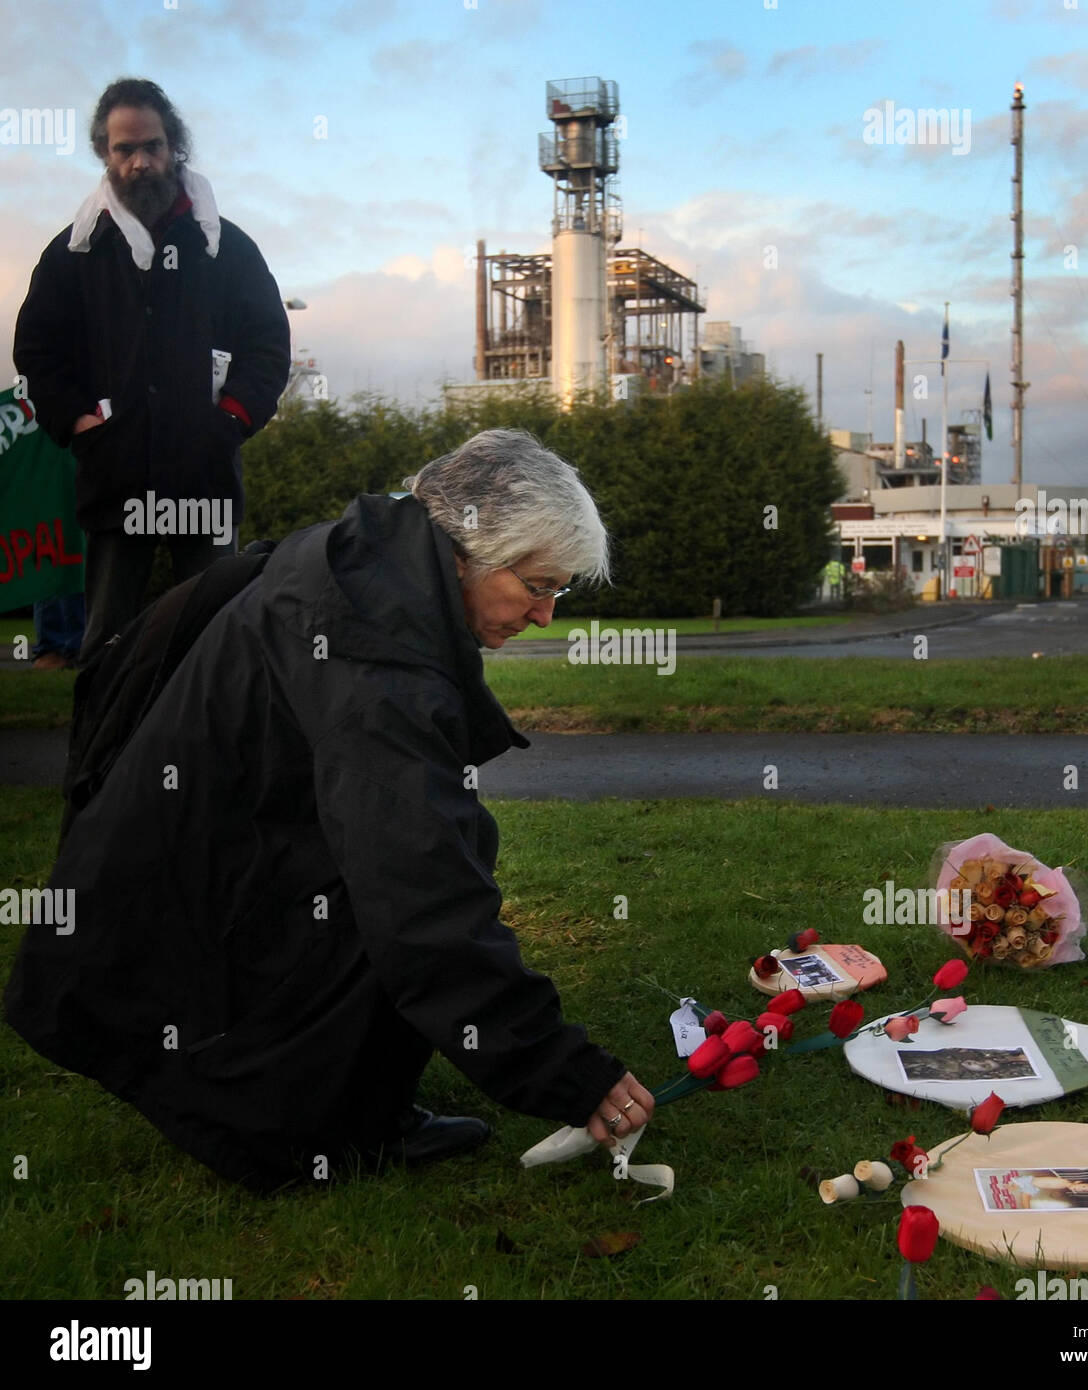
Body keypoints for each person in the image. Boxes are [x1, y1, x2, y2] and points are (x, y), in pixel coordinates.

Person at [4, 429, 654, 1193]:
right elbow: (422, 898)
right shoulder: (376, 657)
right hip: (186, 904)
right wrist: (564, 1070)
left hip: (195, 861)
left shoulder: (364, 558)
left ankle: (357, 1106)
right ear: (469, 549)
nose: (545, 613)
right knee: (392, 884)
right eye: (538, 583)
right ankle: (294, 1135)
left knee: (444, 837)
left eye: (560, 590)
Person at [12, 78, 290, 666]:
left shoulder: (227, 247)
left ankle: (216, 757)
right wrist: (81, 423)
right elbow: (37, 351)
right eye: (124, 149)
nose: (140, 161)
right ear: (105, 155)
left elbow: (267, 344)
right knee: (107, 644)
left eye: (153, 146)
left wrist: (231, 420)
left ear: (174, 146)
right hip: (114, 476)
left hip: (205, 472)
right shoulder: (74, 253)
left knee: (219, 642)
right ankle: (100, 758)